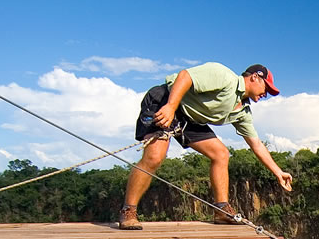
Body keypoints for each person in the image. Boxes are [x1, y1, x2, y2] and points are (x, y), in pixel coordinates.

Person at [119, 62, 293, 229]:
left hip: (190, 118)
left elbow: (256, 144)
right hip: (166, 100)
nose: (266, 94)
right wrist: (171, 107)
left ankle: (221, 211)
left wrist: (278, 172)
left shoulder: (243, 112)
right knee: (154, 157)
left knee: (221, 154)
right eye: (266, 88)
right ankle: (128, 211)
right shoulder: (224, 77)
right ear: (255, 77)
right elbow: (185, 76)